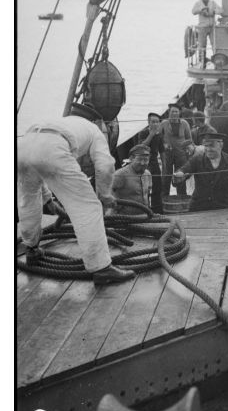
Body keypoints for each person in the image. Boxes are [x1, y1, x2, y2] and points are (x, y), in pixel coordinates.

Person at [17, 102, 135, 285]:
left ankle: (31, 249)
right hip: (53, 148)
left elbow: (38, 163)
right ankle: (101, 268)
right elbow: (105, 165)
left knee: (28, 198)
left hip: (24, 144)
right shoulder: (93, 129)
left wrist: (48, 200)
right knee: (88, 207)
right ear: (96, 121)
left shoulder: (62, 122)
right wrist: (103, 195)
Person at [173, 132, 228, 211]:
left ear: (221, 145)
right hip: (199, 207)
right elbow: (185, 169)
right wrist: (179, 175)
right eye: (206, 146)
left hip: (224, 207)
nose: (208, 149)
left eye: (211, 145)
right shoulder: (197, 160)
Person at [160, 103, 195, 198]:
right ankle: (164, 197)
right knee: (166, 176)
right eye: (172, 111)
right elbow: (159, 138)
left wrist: (189, 148)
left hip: (181, 154)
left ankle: (182, 196)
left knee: (180, 176)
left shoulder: (184, 123)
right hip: (167, 154)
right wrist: (164, 144)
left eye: (176, 111)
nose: (174, 113)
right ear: (169, 112)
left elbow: (189, 139)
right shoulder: (163, 123)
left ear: (179, 113)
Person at [111, 144, 152, 215]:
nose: (142, 163)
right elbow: (107, 193)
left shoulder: (147, 174)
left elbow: (147, 195)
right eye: (139, 159)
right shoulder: (120, 174)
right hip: (124, 218)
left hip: (143, 217)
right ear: (131, 159)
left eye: (146, 160)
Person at [138, 112, 165, 213]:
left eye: (157, 122)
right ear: (148, 122)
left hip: (154, 163)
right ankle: (145, 210)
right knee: (145, 188)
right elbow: (141, 147)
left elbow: (162, 152)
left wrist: (165, 167)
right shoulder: (143, 133)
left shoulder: (159, 135)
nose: (155, 124)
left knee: (157, 187)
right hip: (143, 163)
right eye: (153, 122)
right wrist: (151, 134)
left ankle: (157, 210)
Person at [191, 0, 222, 68]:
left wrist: (214, 12)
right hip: (202, 27)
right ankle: (202, 62)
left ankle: (216, 62)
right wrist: (201, 10)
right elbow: (193, 11)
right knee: (202, 45)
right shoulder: (198, 3)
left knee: (214, 44)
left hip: (212, 27)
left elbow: (221, 10)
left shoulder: (212, 2)